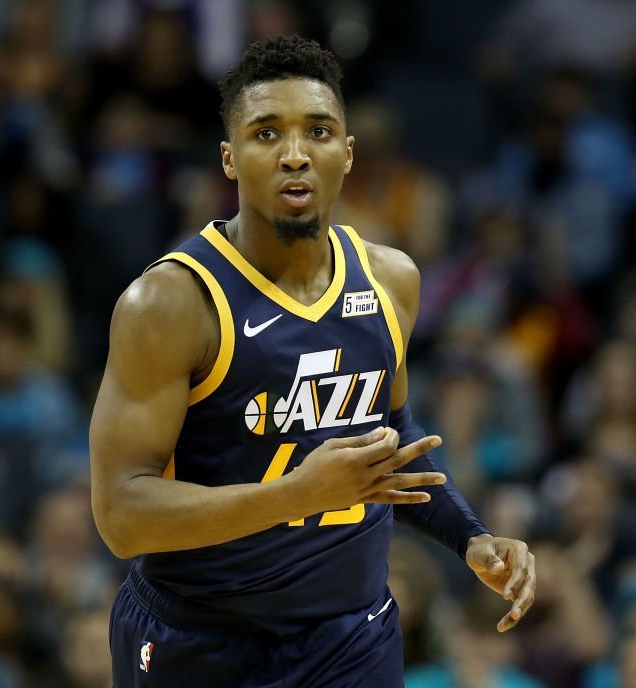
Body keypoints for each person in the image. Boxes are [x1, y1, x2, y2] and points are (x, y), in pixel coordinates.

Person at [89, 35, 536, 687]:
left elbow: (389, 436)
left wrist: (469, 536)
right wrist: (296, 494)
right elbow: (122, 518)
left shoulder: (390, 279)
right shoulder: (170, 302)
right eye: (266, 134)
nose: (295, 154)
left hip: (350, 638)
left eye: (318, 132)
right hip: (203, 637)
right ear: (230, 159)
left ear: (347, 154)